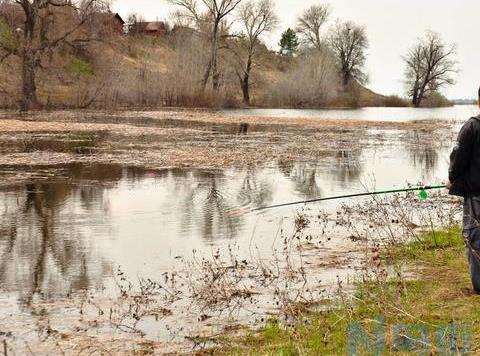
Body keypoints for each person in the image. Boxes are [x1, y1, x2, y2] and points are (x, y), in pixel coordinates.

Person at [448, 87, 480, 292]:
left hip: (476, 196)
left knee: (474, 237)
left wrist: (451, 179)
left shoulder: (472, 127)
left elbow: (457, 159)